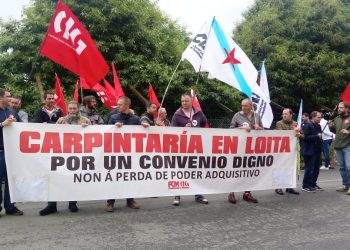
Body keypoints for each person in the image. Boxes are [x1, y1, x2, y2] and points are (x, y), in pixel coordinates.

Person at [39, 101, 91, 216]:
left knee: (73, 179)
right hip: (61, 154)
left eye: (74, 108)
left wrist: (87, 128)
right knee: (55, 178)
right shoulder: (61, 120)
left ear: (78, 109)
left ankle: (72, 203)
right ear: (67, 109)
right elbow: (54, 135)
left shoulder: (85, 121)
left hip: (77, 155)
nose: (72, 110)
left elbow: (93, 136)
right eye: (70, 108)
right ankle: (51, 205)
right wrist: (59, 127)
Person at [170, 93, 209, 206]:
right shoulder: (177, 115)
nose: (184, 103)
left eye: (186, 101)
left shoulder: (199, 113)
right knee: (180, 172)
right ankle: (177, 195)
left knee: (196, 172)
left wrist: (197, 130)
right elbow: (172, 131)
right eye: (182, 101)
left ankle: (198, 194)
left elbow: (206, 127)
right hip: (182, 148)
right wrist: (183, 129)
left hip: (196, 148)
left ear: (191, 101)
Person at [105, 96, 140, 212]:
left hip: (130, 153)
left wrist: (145, 125)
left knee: (129, 177)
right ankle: (110, 202)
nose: (117, 106)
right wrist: (113, 127)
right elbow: (105, 132)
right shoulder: (113, 117)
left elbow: (141, 135)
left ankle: (130, 200)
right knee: (113, 177)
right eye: (117, 104)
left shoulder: (136, 119)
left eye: (120, 104)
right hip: (115, 153)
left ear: (127, 105)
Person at [228, 99, 262, 204]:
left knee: (249, 171)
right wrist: (241, 128)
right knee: (236, 171)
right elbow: (230, 130)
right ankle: (231, 192)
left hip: (252, 149)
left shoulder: (256, 116)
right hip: (239, 148)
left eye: (246, 106)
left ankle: (247, 193)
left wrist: (258, 127)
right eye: (242, 105)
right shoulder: (237, 116)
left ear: (251, 106)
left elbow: (263, 131)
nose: (243, 107)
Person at [0, 88, 24, 216]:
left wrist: (16, 124)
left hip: (12, 151)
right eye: (8, 96)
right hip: (0, 151)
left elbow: (22, 128)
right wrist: (2, 124)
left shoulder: (12, 111)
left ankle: (10, 207)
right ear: (1, 97)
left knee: (10, 180)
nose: (10, 98)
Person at [274, 108, 300, 195]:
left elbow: (302, 135)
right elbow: (282, 134)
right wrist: (294, 132)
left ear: (291, 115)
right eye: (283, 114)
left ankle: (290, 187)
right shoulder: (279, 123)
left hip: (292, 150)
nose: (284, 115)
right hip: (282, 150)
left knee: (292, 168)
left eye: (286, 114)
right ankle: (278, 187)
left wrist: (299, 134)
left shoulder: (295, 123)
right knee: (281, 168)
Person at [328, 102, 350, 194]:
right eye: (338, 108)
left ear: (346, 108)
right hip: (338, 145)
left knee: (349, 166)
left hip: (348, 145)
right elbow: (335, 130)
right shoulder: (336, 119)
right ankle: (345, 185)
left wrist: (348, 132)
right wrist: (330, 127)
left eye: (341, 108)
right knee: (342, 167)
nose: (339, 109)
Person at [301, 111, 323, 192]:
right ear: (313, 117)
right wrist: (317, 136)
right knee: (309, 168)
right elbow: (305, 137)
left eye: (320, 117)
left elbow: (319, 137)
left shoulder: (319, 126)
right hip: (309, 150)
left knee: (316, 169)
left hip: (317, 150)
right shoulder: (308, 125)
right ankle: (306, 185)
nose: (320, 118)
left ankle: (313, 183)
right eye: (318, 117)